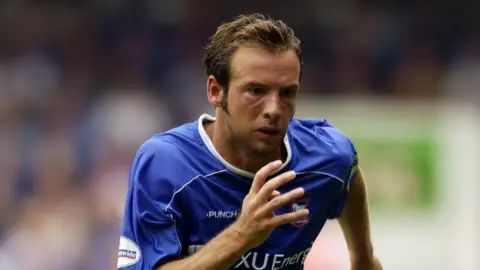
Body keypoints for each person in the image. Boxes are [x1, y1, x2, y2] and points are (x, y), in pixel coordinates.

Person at [117, 13, 382, 270]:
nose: (274, 109)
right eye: (256, 91)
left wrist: (363, 257)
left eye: (287, 93)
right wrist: (242, 235)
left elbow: (347, 169)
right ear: (215, 91)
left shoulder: (324, 155)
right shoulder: (165, 164)